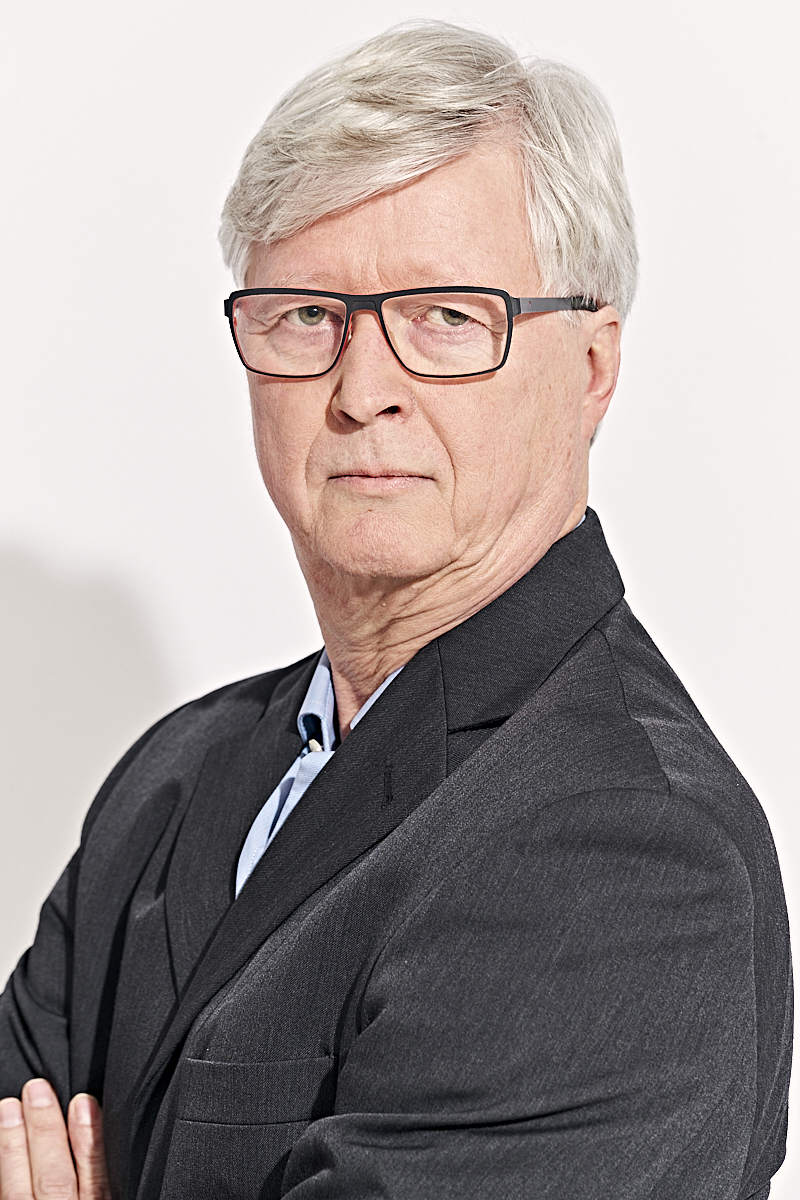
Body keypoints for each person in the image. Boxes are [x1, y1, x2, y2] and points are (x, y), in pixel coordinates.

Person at [0, 20, 791, 1200]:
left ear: (590, 369)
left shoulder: (626, 854)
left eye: (447, 317)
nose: (362, 389)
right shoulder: (174, 776)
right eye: (306, 316)